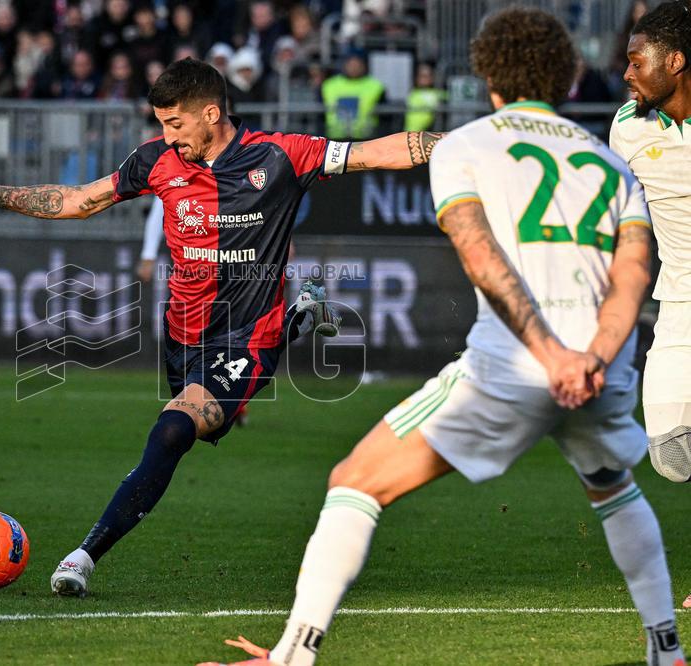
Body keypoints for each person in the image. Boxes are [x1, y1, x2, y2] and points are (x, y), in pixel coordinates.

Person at [199, 8, 684, 666]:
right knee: (612, 484)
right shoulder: (608, 159)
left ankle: (291, 654)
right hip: (602, 366)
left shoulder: (465, 146)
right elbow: (632, 274)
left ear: (487, 74)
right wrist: (593, 358)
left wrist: (549, 357)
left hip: (515, 365)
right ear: (565, 78)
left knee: (354, 482)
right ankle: (666, 648)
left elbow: (481, 259)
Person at [0, 56, 442, 598]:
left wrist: (461, 145)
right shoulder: (156, 161)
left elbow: (373, 152)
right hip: (183, 334)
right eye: (160, 124)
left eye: (174, 124)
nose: (166, 136)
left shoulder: (279, 155)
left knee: (173, 430)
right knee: (183, 421)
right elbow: (81, 200)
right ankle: (304, 316)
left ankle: (84, 556)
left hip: (248, 333)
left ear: (211, 112)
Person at [609, 0, 691, 604]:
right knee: (669, 452)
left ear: (677, 62)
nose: (628, 74)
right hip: (680, 305)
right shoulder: (628, 128)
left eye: (637, 63)